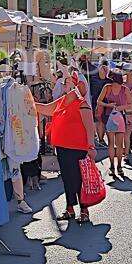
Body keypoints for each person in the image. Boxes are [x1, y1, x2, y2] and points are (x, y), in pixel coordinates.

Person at [35, 71, 98, 224]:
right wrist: (29, 101)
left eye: (67, 83)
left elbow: (90, 127)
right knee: (68, 179)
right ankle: (70, 208)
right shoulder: (63, 101)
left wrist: (91, 147)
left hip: (78, 147)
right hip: (62, 147)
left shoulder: (82, 103)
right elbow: (46, 109)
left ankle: (84, 210)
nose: (64, 85)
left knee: (79, 180)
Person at [96, 70, 129, 177]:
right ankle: (117, 166)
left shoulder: (108, 87)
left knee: (113, 143)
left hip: (111, 116)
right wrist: (116, 107)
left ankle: (114, 166)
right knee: (117, 144)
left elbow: (99, 101)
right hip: (116, 117)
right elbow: (130, 104)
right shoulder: (122, 89)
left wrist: (110, 106)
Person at [88, 60, 111, 146]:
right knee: (98, 121)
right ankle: (100, 138)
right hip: (95, 102)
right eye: (102, 68)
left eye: (106, 69)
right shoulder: (92, 79)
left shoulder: (109, 81)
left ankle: (101, 138)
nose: (104, 70)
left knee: (102, 122)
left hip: (106, 103)